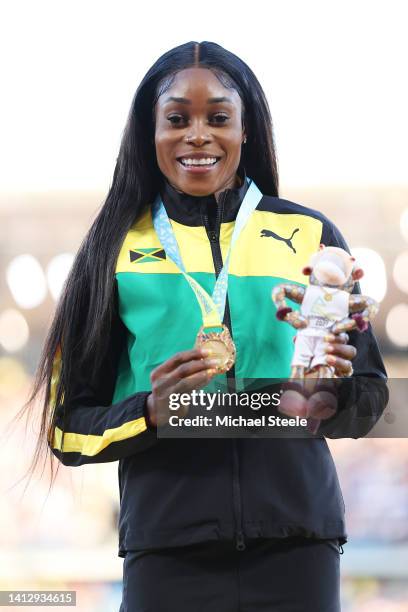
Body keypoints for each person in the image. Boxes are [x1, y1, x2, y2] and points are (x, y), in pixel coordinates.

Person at [25, 41, 388, 611]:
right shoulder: (114, 250)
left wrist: (327, 396)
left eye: (218, 117)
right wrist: (148, 414)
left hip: (298, 549)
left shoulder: (311, 238)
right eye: (177, 119)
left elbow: (372, 398)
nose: (198, 135)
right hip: (168, 555)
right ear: (151, 133)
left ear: (246, 130)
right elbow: (64, 431)